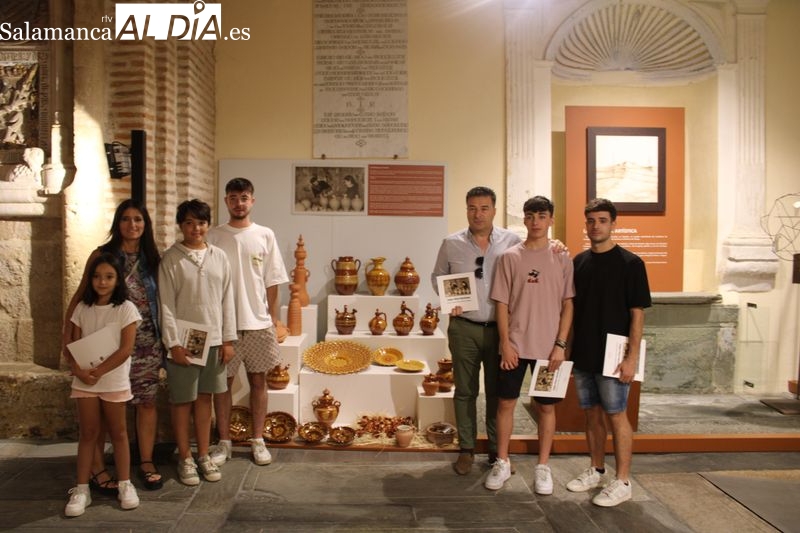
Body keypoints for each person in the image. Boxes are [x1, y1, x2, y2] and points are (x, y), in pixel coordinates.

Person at [63, 199, 166, 493]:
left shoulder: (151, 257)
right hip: (104, 342)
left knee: (146, 401)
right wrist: (66, 340)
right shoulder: (103, 254)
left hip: (145, 340)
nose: (131, 225)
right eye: (125, 219)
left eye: (138, 219)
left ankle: (145, 460)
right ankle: (97, 468)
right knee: (104, 409)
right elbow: (81, 296)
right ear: (117, 223)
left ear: (145, 225)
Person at [565, 198, 651, 506]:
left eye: (602, 220)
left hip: (614, 356)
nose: (596, 226)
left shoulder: (631, 263)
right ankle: (596, 469)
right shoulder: (579, 262)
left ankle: (623, 480)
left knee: (616, 415)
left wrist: (632, 357)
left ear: (613, 223)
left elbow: (637, 314)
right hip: (585, 352)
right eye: (591, 220)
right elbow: (572, 308)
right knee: (592, 414)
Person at [485, 196, 574, 493]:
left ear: (550, 220)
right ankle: (503, 462)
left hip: (550, 350)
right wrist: (506, 344)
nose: (535, 221)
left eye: (542, 216)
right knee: (505, 403)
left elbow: (568, 304)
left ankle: (543, 467)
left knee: (546, 408)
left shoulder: (561, 256)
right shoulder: (510, 257)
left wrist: (560, 344)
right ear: (524, 220)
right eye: (530, 216)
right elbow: (501, 304)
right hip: (515, 347)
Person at [431, 186, 522, 475]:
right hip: (464, 327)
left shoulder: (512, 241)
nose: (478, 213)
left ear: (494, 210)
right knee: (465, 391)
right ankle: (466, 449)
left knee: (498, 393)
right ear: (466, 209)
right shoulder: (451, 242)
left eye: (484, 208)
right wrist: (448, 301)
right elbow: (438, 277)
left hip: (501, 331)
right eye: (472, 208)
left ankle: (498, 452)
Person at [207, 177, 289, 467]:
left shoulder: (265, 234)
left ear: (252, 200)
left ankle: (258, 439)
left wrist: (273, 318)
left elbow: (273, 280)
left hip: (258, 323)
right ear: (226, 201)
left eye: (243, 197)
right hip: (224, 326)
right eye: (232, 197)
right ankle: (224, 442)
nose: (238, 203)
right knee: (222, 385)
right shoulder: (214, 235)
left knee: (258, 381)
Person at [158, 199, 237, 486]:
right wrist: (173, 343)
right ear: (181, 225)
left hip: (214, 340)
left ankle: (203, 454)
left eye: (201, 222)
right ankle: (185, 457)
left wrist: (228, 339)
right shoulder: (171, 258)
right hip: (185, 341)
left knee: (205, 400)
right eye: (189, 222)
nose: (196, 228)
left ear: (208, 225)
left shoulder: (219, 257)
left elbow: (228, 299)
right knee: (182, 401)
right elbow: (165, 304)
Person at [63, 252, 141, 516]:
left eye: (109, 276)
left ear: (118, 279)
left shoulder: (126, 309)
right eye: (97, 276)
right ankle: (82, 488)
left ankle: (125, 483)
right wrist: (78, 370)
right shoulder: (82, 308)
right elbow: (72, 345)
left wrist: (99, 370)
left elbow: (126, 348)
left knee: (119, 433)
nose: (102, 282)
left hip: (113, 379)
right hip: (85, 381)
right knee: (88, 433)